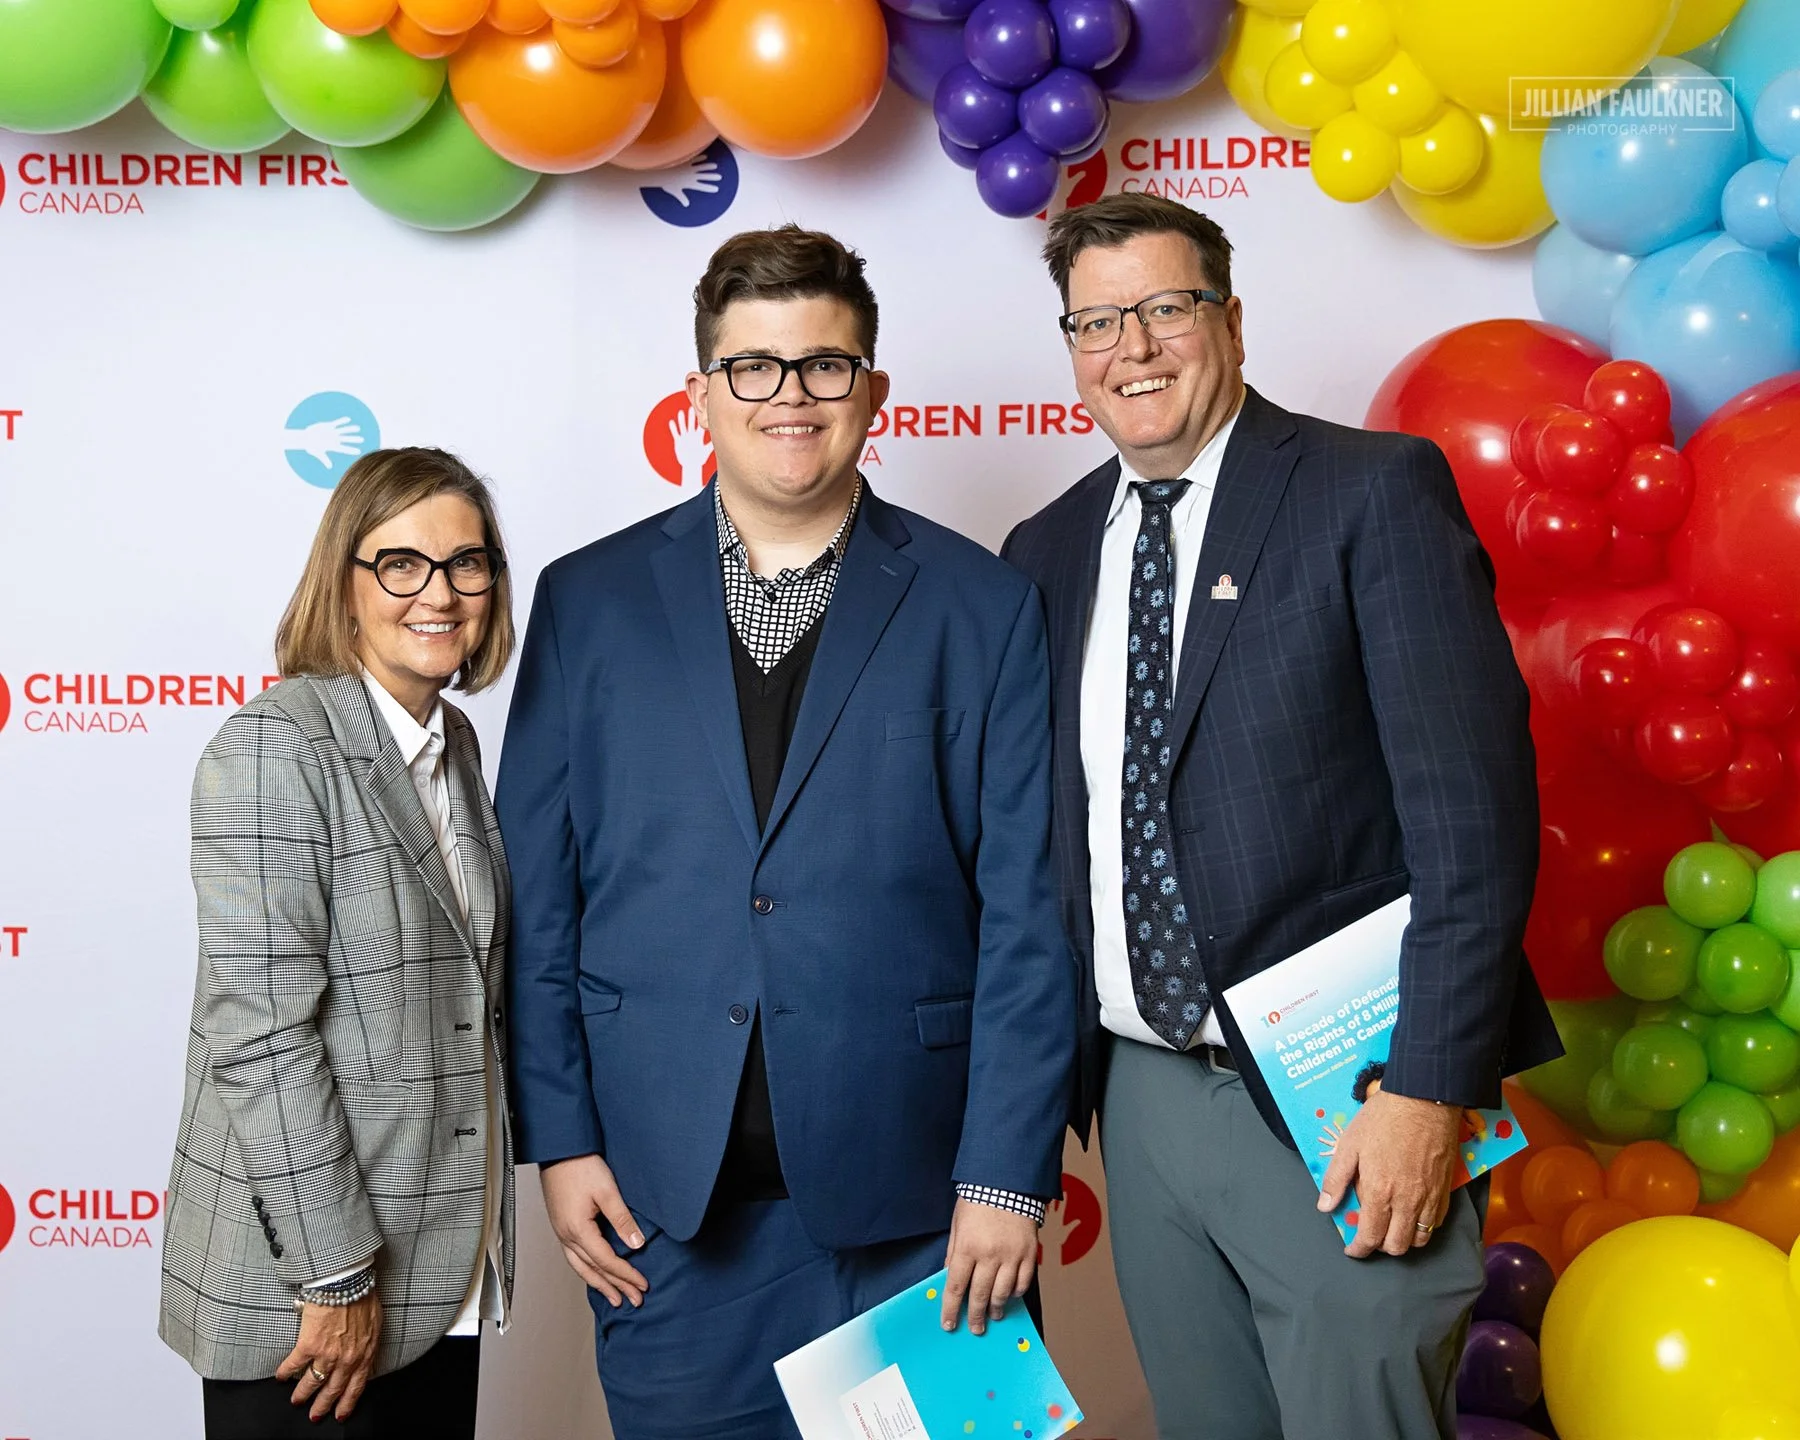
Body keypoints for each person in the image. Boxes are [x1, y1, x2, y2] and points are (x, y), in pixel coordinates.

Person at [1000, 193, 1562, 1440]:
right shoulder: (1042, 552)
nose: (1131, 348)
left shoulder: (1370, 492)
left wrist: (1427, 1089)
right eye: (1096, 322)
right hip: (1140, 1099)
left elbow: (1474, 823)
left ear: (1232, 320)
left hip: (1343, 1096)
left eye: (1164, 309)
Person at [497, 224, 1074, 1439]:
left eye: (823, 365)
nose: (790, 397)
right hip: (664, 1207)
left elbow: (1031, 914)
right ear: (701, 394)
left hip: (927, 1208)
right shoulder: (586, 602)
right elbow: (538, 901)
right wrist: (561, 1141)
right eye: (753, 366)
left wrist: (1004, 1176)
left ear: (872, 391)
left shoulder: (983, 603)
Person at [159, 448, 517, 1439]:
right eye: (401, 564)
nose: (438, 593)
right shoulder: (276, 746)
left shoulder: (454, 745)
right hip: (313, 1297)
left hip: (439, 1271)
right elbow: (260, 1036)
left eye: (467, 563)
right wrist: (336, 1270)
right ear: (346, 588)